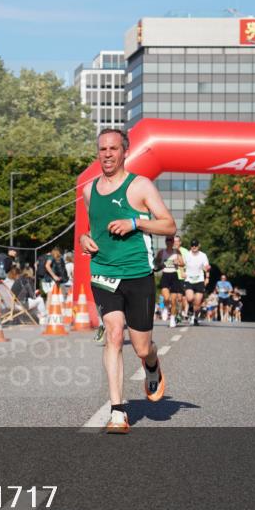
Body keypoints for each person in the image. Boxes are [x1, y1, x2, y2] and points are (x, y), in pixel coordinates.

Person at [79, 128, 176, 434]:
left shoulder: (140, 186)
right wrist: (83, 239)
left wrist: (135, 221)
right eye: (102, 149)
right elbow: (90, 229)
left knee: (141, 346)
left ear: (125, 152)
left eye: (113, 149)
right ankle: (118, 411)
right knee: (113, 334)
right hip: (104, 272)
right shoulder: (89, 190)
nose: (107, 154)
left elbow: (169, 224)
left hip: (137, 274)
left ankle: (151, 364)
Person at [155, 235, 185, 328]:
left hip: (174, 275)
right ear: (165, 241)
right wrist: (161, 264)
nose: (169, 242)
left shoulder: (177, 252)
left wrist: (178, 262)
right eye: (167, 240)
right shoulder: (161, 252)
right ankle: (165, 307)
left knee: (173, 300)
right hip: (165, 275)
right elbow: (156, 263)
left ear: (173, 242)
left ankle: (172, 318)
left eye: (171, 240)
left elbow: (183, 263)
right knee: (166, 298)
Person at [182, 240, 210, 325]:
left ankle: (196, 317)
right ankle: (190, 307)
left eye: (196, 245)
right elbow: (182, 265)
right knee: (190, 298)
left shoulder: (203, 255)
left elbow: (207, 267)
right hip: (189, 279)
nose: (194, 247)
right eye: (192, 245)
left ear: (199, 246)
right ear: (190, 246)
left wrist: (207, 277)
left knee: (198, 302)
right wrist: (182, 272)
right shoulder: (187, 255)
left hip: (199, 280)